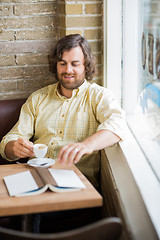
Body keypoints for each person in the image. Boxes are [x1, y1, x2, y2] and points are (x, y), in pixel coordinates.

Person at [0, 34, 126, 232]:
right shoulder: (38, 98)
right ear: (56, 65)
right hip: (34, 178)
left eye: (75, 64)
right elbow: (11, 138)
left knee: (31, 210)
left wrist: (87, 145)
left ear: (86, 65)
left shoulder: (98, 96)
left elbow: (118, 123)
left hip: (76, 185)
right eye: (62, 63)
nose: (68, 70)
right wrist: (13, 147)